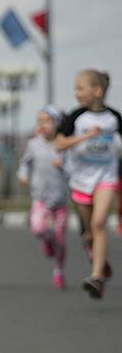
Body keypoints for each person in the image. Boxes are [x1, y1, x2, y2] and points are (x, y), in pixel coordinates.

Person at [54, 69, 120, 299]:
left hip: (106, 176)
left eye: (81, 88)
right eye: (75, 88)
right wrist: (85, 137)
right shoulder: (75, 117)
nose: (77, 93)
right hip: (81, 179)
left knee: (100, 222)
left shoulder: (114, 117)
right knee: (89, 231)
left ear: (98, 90)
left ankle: (96, 276)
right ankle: (95, 253)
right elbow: (59, 144)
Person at [18, 106, 70, 290]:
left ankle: (59, 271)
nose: (43, 125)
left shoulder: (64, 145)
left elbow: (73, 171)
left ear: (57, 124)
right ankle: (47, 239)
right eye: (40, 121)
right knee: (38, 228)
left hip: (60, 198)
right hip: (40, 196)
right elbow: (25, 163)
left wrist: (63, 166)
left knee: (61, 239)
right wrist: (23, 175)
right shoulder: (33, 144)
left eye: (47, 121)